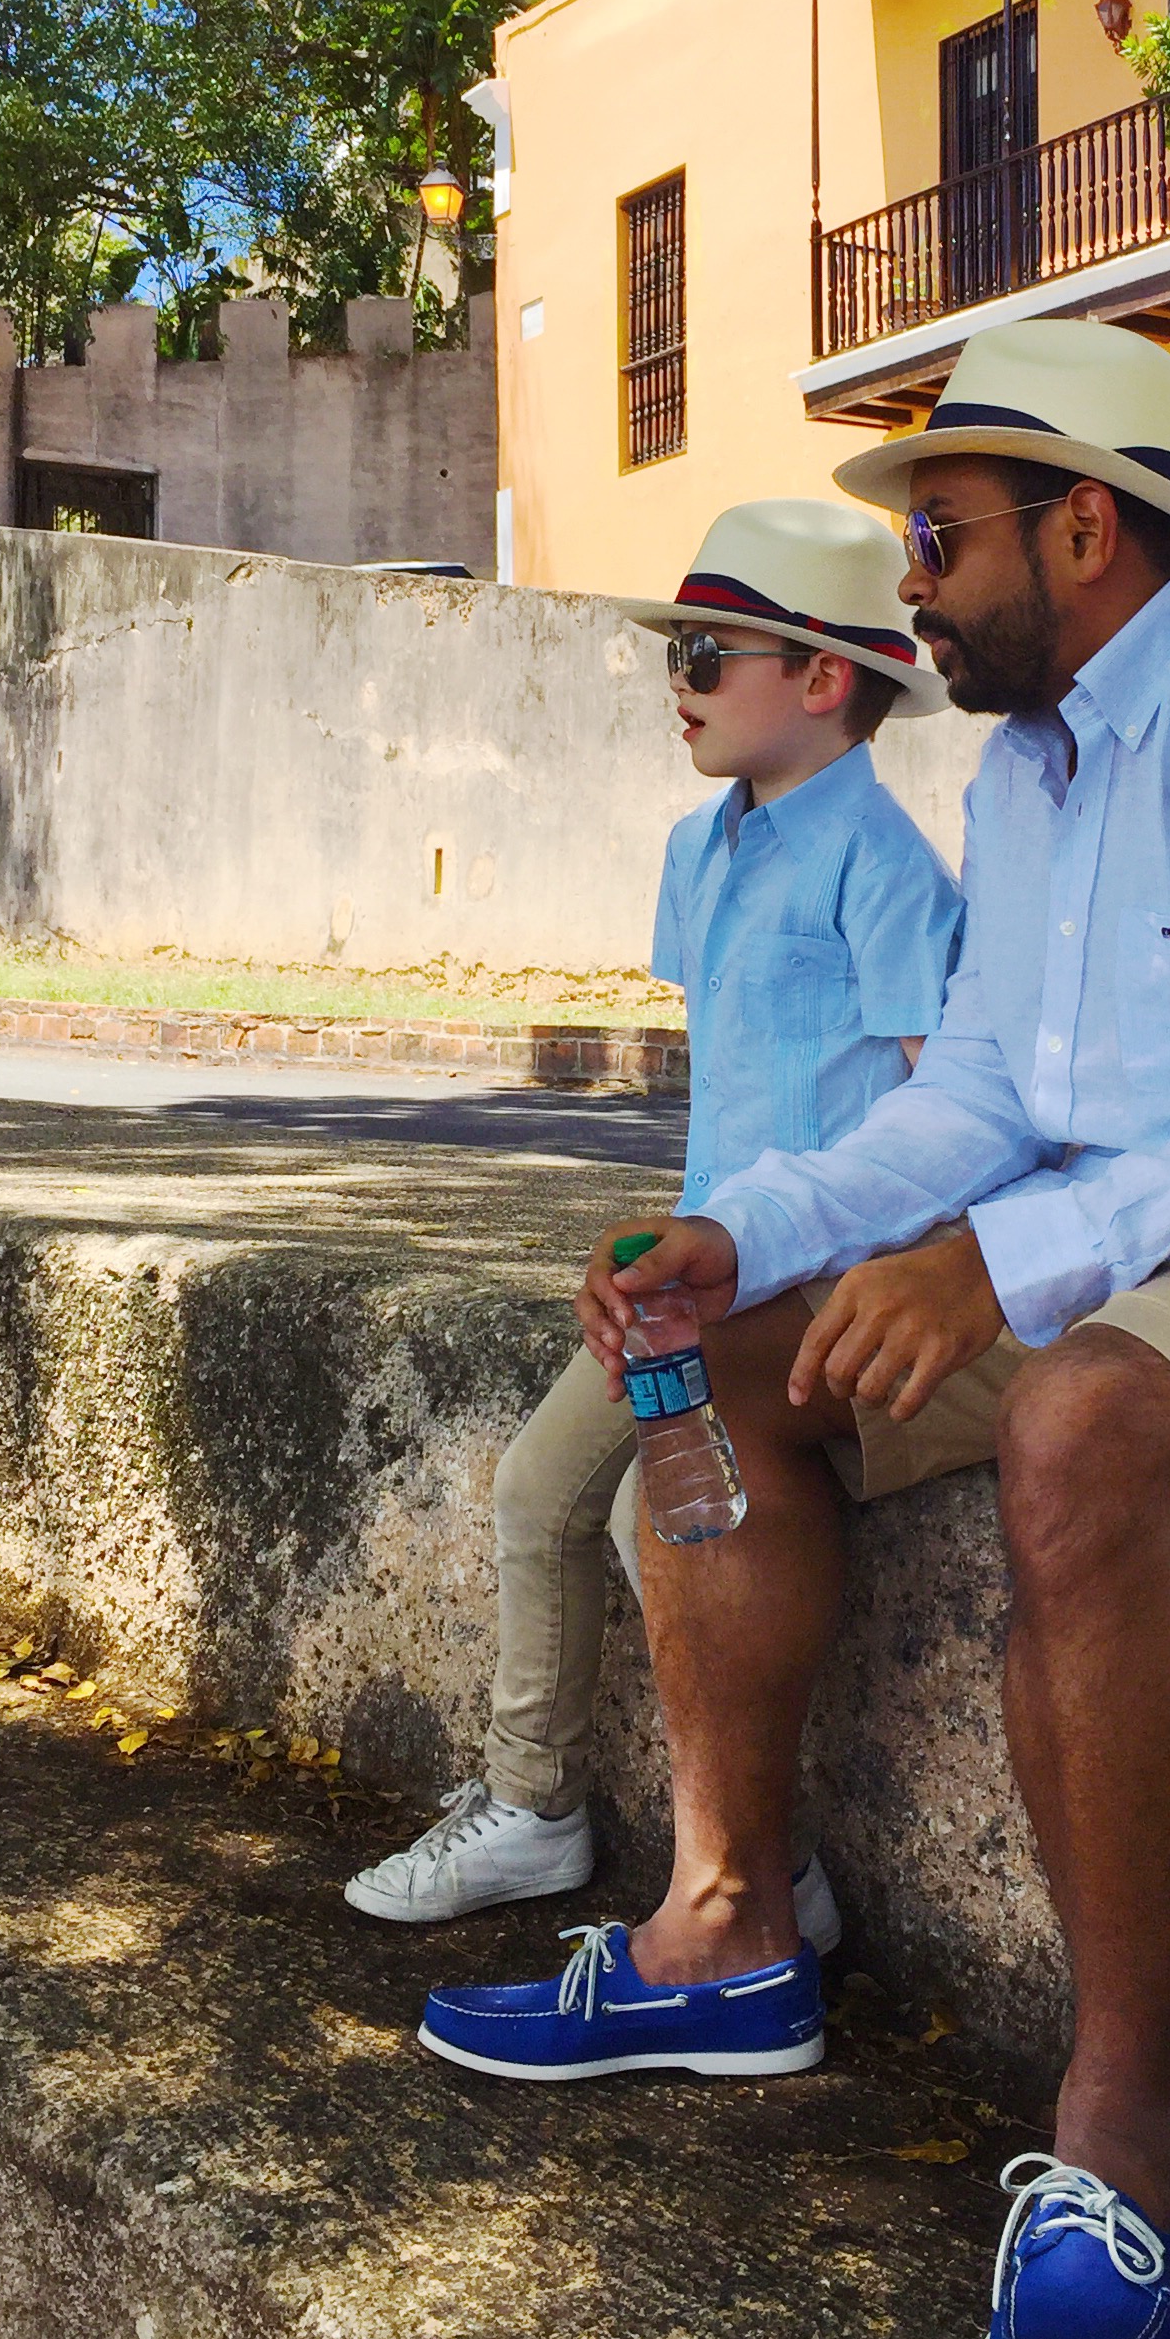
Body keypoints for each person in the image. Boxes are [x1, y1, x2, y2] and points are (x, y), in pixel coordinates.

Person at [417, 319, 1170, 2339]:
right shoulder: (1032, 768)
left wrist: (1007, 1264)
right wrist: (749, 1233)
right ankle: (730, 1933)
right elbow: (979, 1096)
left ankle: (1125, 2140)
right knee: (736, 1364)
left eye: (940, 539)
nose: (915, 590)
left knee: (1079, 1424)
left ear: (1085, 525)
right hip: (1146, 1243)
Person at [347, 496, 963, 1946]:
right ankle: (537, 1807)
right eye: (673, 651)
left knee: (658, 1512)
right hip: (701, 1265)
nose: (674, 683)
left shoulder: (892, 874)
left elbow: (942, 1107)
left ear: (820, 678)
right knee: (537, 1493)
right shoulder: (705, 849)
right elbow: (732, 1071)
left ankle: (760, 1859)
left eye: (705, 653)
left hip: (811, 1278)